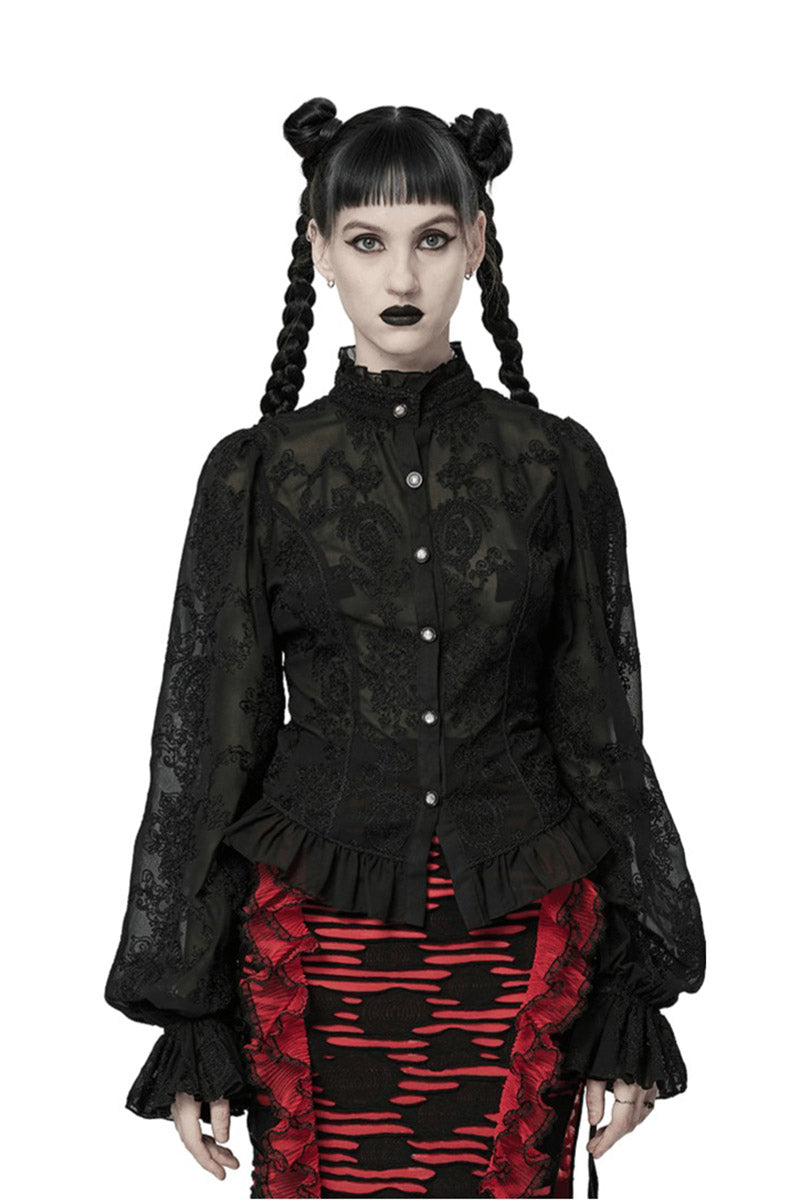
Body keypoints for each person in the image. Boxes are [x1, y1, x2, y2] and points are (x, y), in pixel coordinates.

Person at [104, 98, 706, 1199]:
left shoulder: (554, 465)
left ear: (475, 242)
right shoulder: (256, 473)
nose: (401, 275)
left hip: (518, 934)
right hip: (318, 945)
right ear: (320, 249)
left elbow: (602, 732)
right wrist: (189, 1011)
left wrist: (633, 988)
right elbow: (206, 741)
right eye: (367, 239)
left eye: (431, 238)